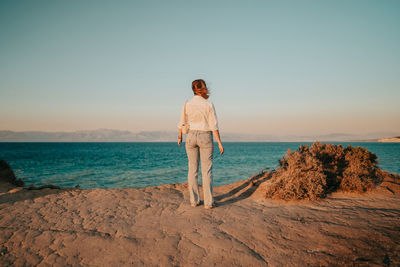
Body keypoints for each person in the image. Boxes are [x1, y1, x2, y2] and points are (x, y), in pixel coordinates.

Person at [177, 79, 224, 209]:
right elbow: (213, 125)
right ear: (203, 88)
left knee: (192, 169)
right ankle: (208, 203)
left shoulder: (187, 104)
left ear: (193, 89)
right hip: (205, 136)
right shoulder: (208, 104)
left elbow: (182, 121)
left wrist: (180, 136)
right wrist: (219, 143)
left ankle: (194, 201)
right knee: (206, 170)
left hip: (191, 136)